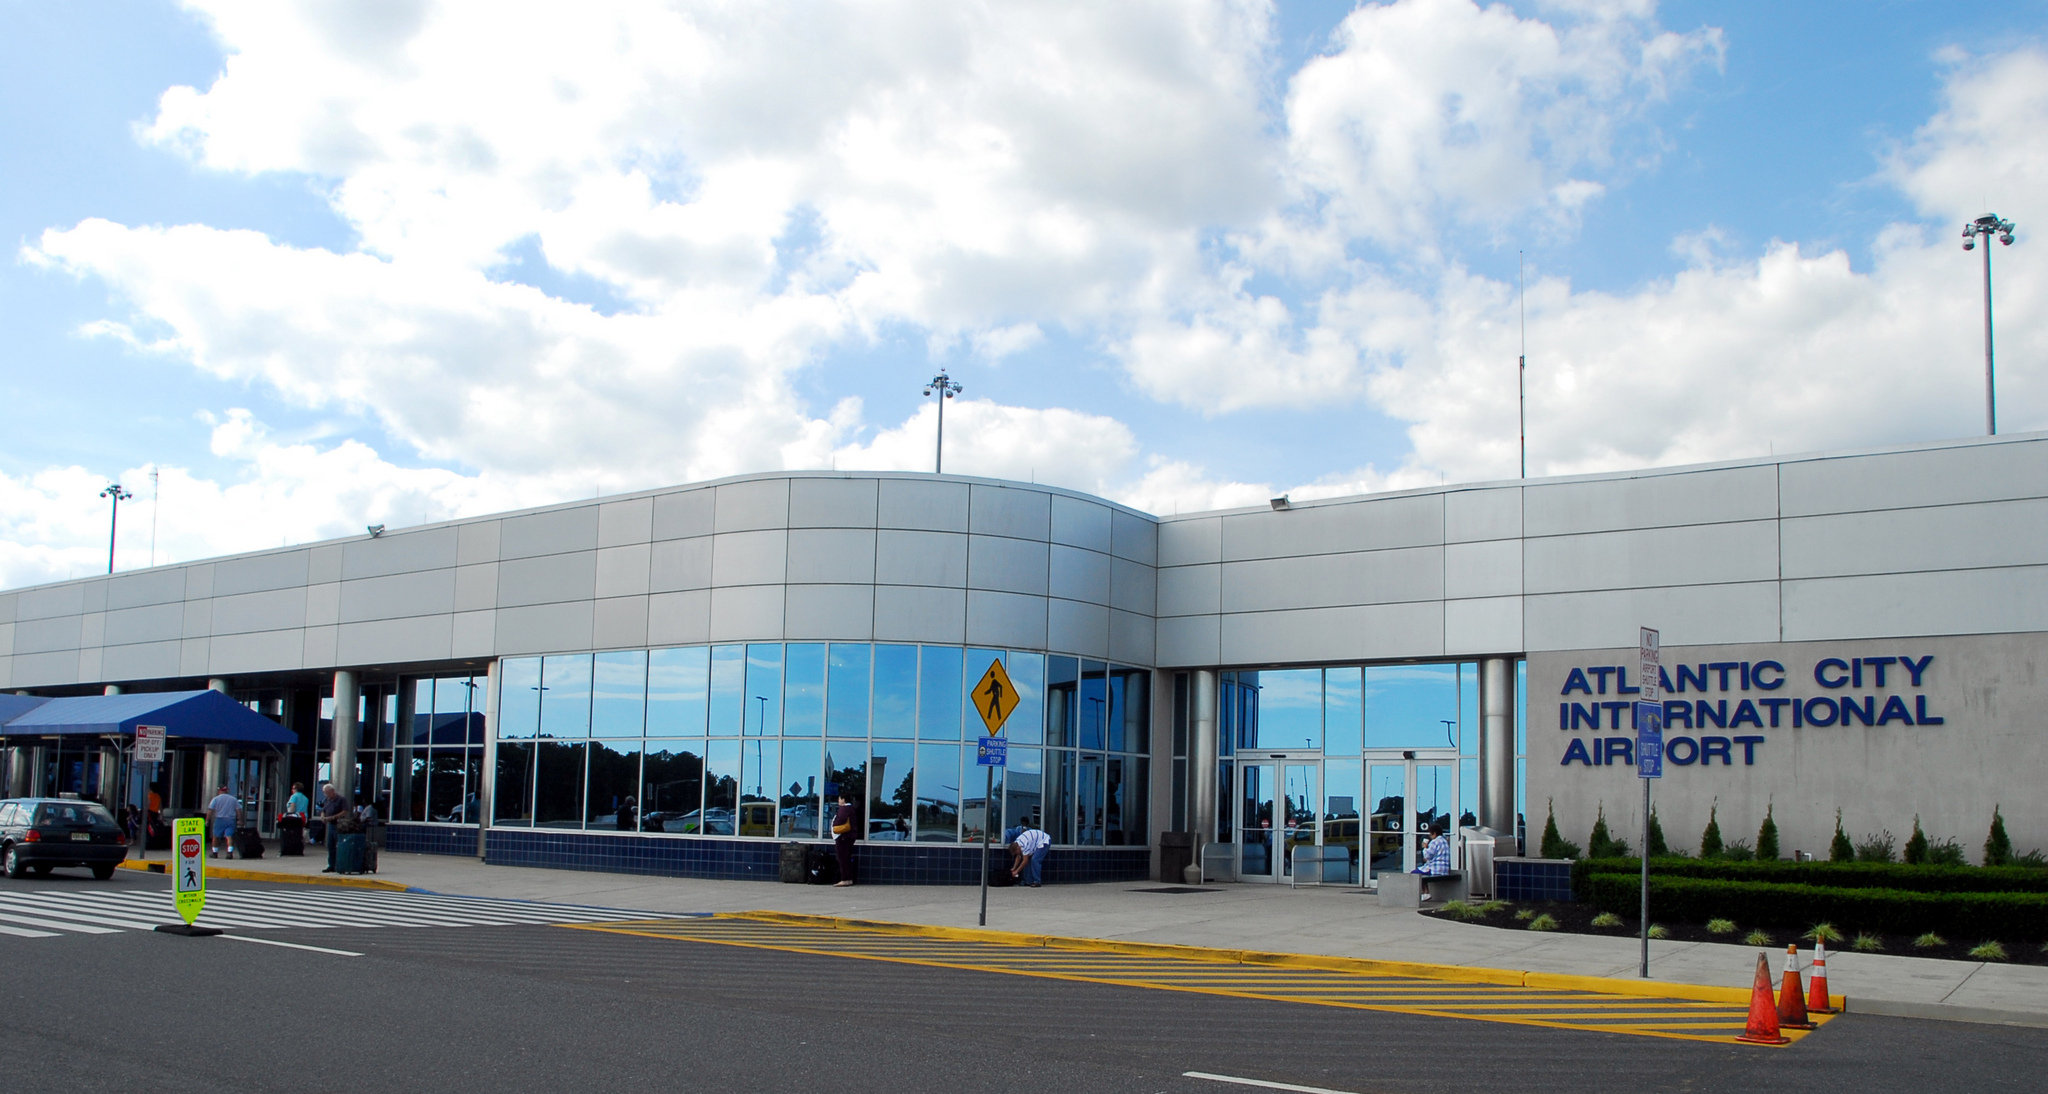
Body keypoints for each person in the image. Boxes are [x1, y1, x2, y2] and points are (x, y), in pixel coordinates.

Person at [1413, 820, 1451, 900]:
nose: (1430, 836)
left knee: (1415, 873)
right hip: (1444, 869)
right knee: (1423, 872)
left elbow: (1427, 856)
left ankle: (1425, 892)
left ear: (1434, 833)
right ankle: (1426, 893)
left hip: (1436, 869)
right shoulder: (1445, 841)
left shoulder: (1434, 842)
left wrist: (1425, 847)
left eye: (1430, 834)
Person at [316, 784, 350, 873]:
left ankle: (340, 864)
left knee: (339, 845)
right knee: (330, 845)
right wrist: (323, 816)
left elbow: (345, 811)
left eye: (327, 792)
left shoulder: (341, 799)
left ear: (332, 791)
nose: (326, 794)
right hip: (330, 825)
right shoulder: (327, 800)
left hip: (339, 824)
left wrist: (333, 817)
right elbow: (323, 809)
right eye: (324, 793)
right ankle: (331, 865)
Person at [830, 792, 859, 887]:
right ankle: (848, 878)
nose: (838, 801)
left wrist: (834, 826)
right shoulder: (851, 809)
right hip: (848, 837)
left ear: (843, 799)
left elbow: (840, 820)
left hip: (843, 837)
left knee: (842, 858)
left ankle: (845, 879)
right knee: (846, 857)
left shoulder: (844, 809)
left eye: (839, 799)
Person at [1010, 821, 1051, 887]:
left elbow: (1024, 861)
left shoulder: (1024, 845)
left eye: (1017, 852)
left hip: (1044, 841)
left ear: (1018, 848)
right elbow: (1018, 857)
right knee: (1028, 860)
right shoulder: (1017, 843)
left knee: (1035, 860)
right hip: (1035, 842)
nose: (1017, 854)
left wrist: (1016, 871)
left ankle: (1037, 881)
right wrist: (1013, 868)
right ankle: (1028, 881)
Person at [206, 784, 239, 859]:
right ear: (227, 790)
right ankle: (229, 852)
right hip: (231, 819)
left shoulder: (215, 799)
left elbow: (210, 810)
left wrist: (207, 820)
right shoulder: (233, 799)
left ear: (219, 790)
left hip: (220, 819)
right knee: (229, 836)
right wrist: (240, 820)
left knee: (216, 836)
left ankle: (215, 852)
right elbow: (238, 810)